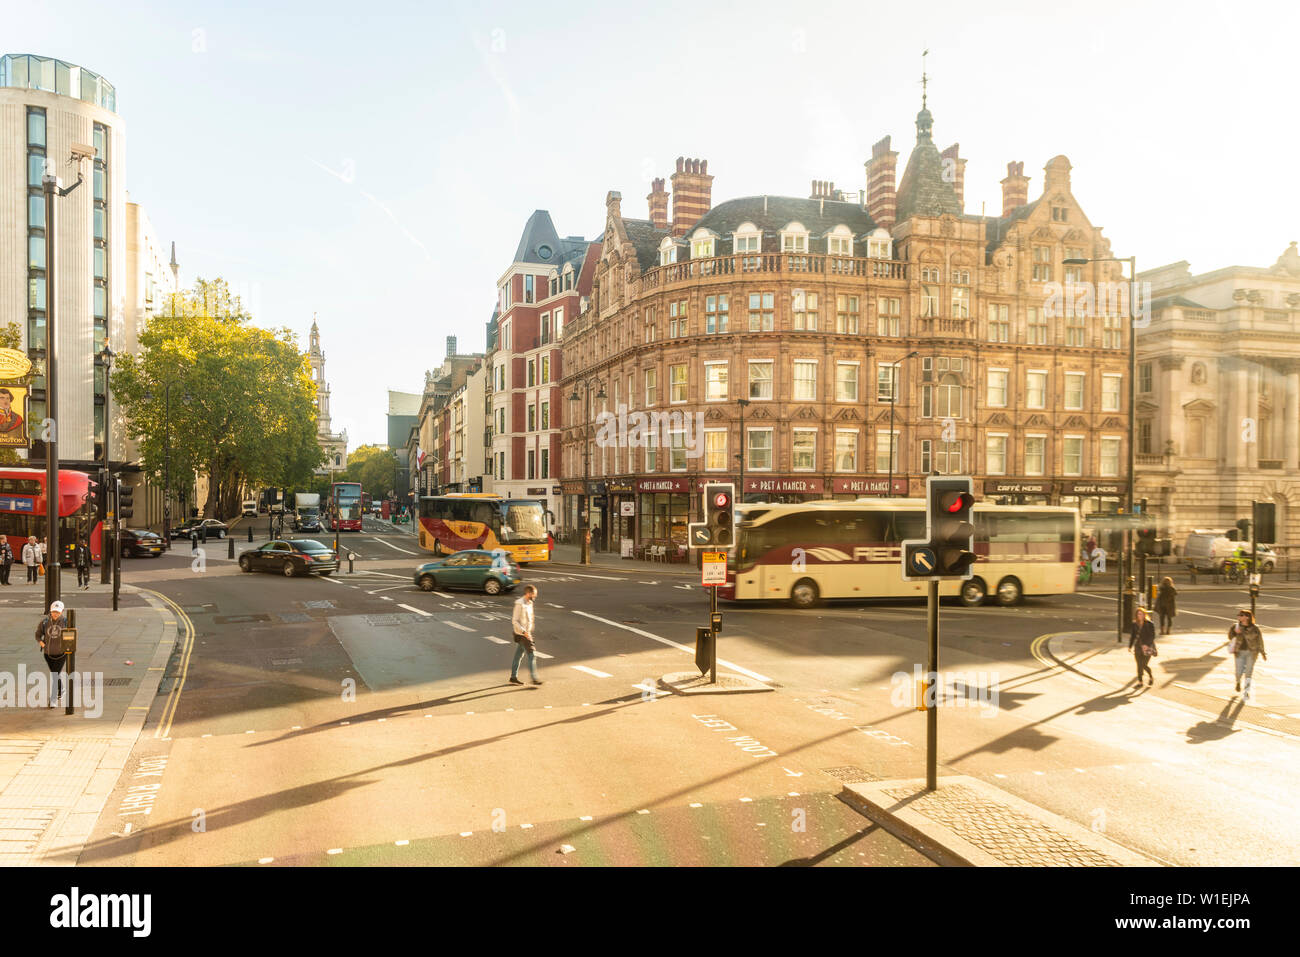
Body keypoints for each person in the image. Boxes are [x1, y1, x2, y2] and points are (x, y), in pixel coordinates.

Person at [35, 600, 69, 707]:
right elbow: (37, 634)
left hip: (62, 653)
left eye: (58, 612)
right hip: (48, 653)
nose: (55, 614)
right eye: (54, 611)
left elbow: (72, 633)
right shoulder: (45, 622)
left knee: (55, 675)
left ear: (62, 611)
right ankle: (62, 689)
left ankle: (53, 699)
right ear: (50, 611)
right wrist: (42, 644)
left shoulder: (66, 621)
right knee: (56, 674)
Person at [1228, 609, 1267, 697]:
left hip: (1252, 653)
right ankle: (1238, 682)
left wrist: (1263, 653)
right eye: (1239, 615)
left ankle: (1246, 690)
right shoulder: (1235, 626)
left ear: (1247, 617)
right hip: (1239, 652)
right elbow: (1230, 637)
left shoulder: (1255, 628)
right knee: (1238, 671)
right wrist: (1234, 632)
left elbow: (1260, 640)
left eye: (1241, 615)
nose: (1239, 616)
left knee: (1249, 672)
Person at [509, 584, 542, 686]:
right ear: (528, 593)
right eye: (533, 594)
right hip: (521, 634)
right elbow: (514, 621)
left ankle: (513, 677)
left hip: (527, 634)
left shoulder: (530, 603)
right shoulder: (519, 604)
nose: (535, 596)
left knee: (518, 655)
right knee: (532, 655)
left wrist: (530, 631)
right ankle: (534, 678)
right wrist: (524, 632)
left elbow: (530, 618)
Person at [1129, 606, 1157, 687]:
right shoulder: (1134, 624)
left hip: (1147, 647)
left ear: (1144, 615)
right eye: (1138, 614)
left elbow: (1152, 636)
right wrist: (1130, 646)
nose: (1139, 616)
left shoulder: (1149, 624)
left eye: (1141, 614)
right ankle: (1140, 682)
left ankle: (1151, 677)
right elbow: (1133, 636)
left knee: (1144, 665)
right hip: (1138, 647)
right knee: (1138, 664)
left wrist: (1146, 645)